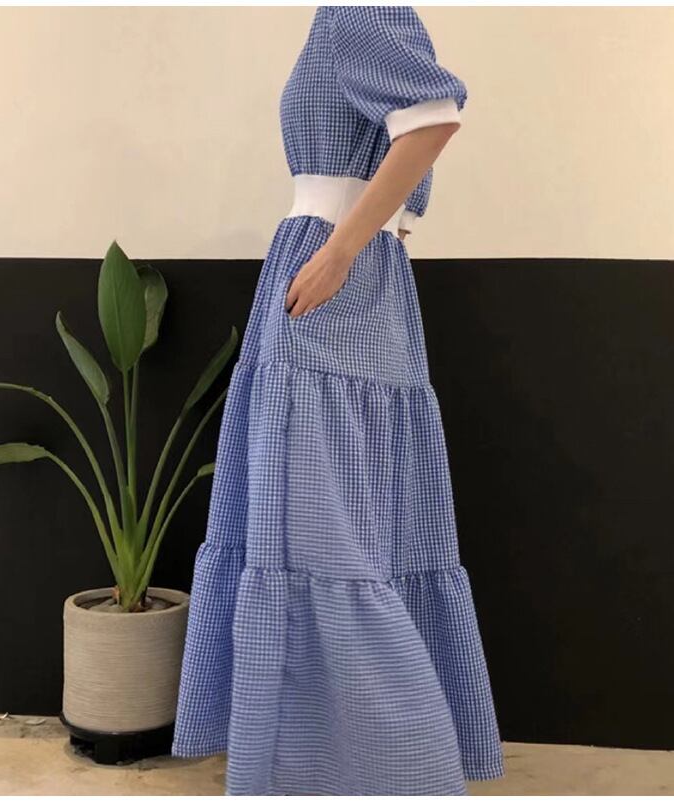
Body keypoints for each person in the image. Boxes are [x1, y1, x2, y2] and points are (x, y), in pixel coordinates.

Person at [172, 6, 504, 795]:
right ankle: (354, 767)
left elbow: (433, 119)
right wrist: (369, 247)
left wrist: (341, 251)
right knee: (359, 538)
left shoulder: (353, 13)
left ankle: (376, 766)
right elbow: (414, 149)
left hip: (331, 283)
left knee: (314, 537)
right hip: (362, 290)